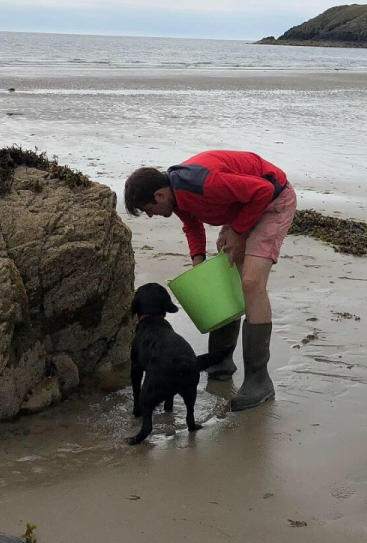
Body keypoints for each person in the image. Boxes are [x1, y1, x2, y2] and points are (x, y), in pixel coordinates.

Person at [124, 149, 297, 411]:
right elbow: (192, 225)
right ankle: (221, 360)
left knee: (251, 282)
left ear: (159, 195)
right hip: (244, 206)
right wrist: (198, 264)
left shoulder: (203, 185)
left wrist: (237, 231)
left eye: (149, 210)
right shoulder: (176, 195)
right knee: (223, 276)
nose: (151, 215)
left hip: (273, 201)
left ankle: (259, 380)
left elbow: (262, 190)